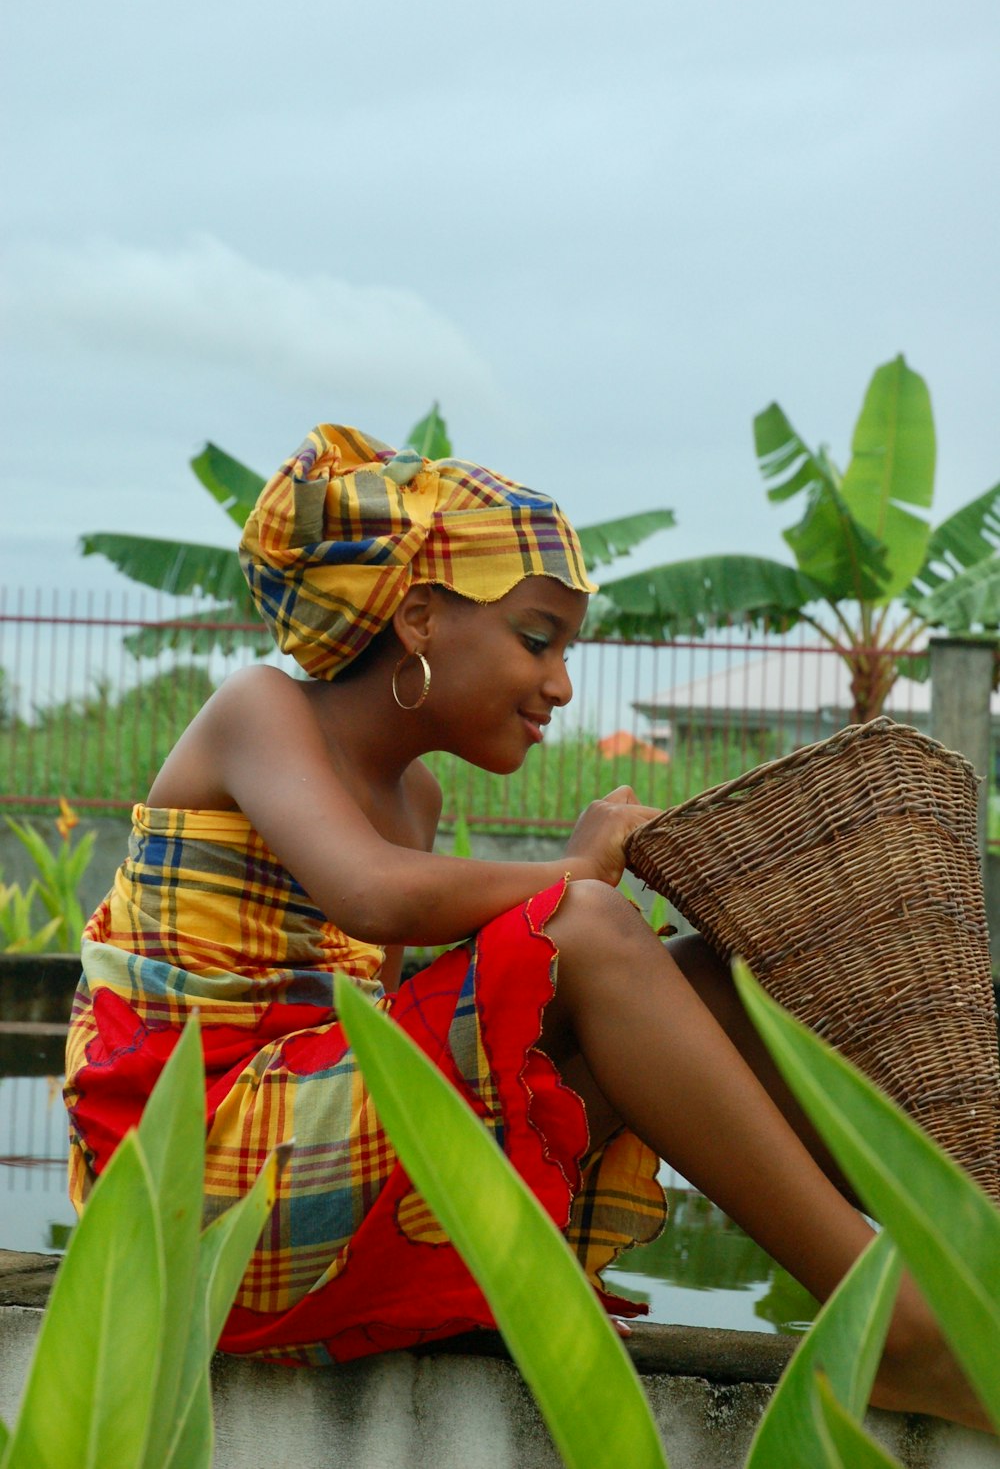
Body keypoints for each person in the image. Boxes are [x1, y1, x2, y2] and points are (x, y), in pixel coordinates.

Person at [64, 424, 988, 1431]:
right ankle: (901, 1333)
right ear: (418, 616)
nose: (558, 685)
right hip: (195, 1186)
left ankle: (968, 1268)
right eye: (537, 638)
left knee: (716, 985)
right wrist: (575, 871)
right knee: (584, 929)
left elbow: (413, 1028)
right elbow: (372, 894)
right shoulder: (260, 710)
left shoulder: (412, 796)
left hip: (318, 1162)